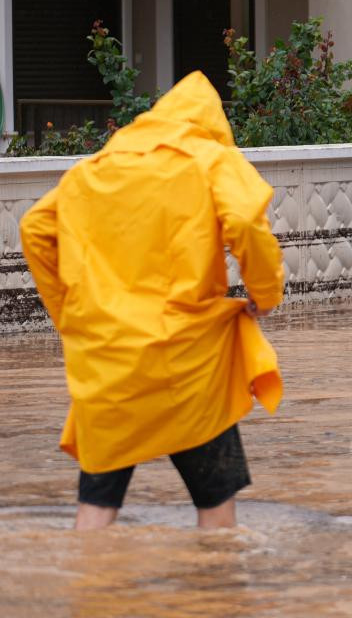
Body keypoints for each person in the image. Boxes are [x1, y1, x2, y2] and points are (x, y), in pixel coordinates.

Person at [19, 72, 285, 530]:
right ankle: (216, 596)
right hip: (189, 363)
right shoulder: (211, 159)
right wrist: (265, 294)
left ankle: (89, 593)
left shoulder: (95, 169)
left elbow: (34, 230)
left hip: (108, 362)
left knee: (98, 506)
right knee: (215, 500)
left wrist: (70, 316)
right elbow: (244, 220)